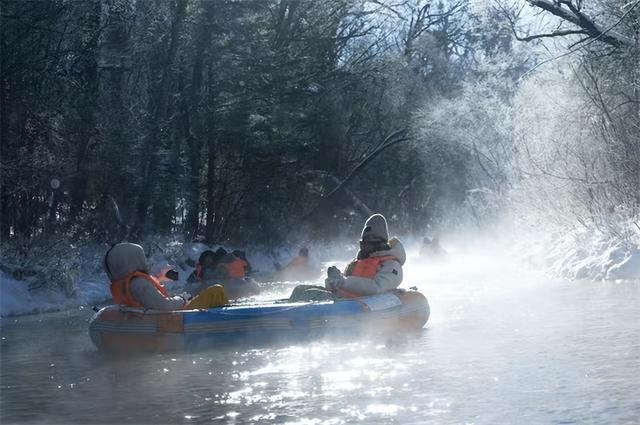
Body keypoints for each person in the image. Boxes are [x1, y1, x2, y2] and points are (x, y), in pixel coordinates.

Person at [289, 213, 405, 301]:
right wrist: (333, 281)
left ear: (381, 243)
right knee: (300, 290)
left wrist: (343, 282)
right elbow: (343, 282)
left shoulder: (391, 265)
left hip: (362, 303)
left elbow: (377, 288)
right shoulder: (359, 261)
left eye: (371, 242)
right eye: (364, 243)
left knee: (310, 295)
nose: (366, 246)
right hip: (345, 300)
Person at [105, 242, 228, 310]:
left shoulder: (127, 283)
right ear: (133, 259)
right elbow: (163, 305)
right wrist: (182, 299)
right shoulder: (138, 283)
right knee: (216, 290)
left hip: (164, 317)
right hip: (178, 317)